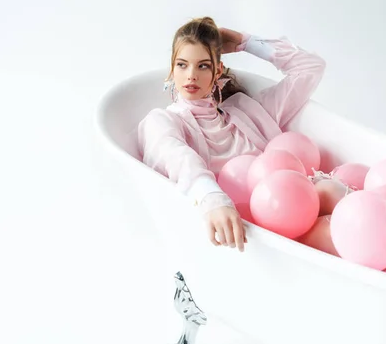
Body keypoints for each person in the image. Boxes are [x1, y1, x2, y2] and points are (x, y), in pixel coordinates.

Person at [138, 17, 326, 253]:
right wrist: (213, 199)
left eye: (203, 65)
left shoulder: (249, 111)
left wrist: (245, 42)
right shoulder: (162, 121)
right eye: (182, 64)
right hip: (240, 241)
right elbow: (179, 158)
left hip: (297, 213)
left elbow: (310, 67)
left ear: (218, 71)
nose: (191, 75)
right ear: (172, 69)